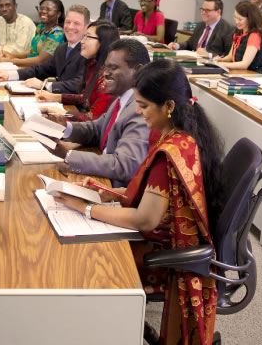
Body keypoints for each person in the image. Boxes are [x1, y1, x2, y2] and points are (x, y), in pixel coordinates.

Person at [52, 59, 221, 345]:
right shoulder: (180, 135)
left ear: (168, 106)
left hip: (162, 251)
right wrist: (103, 192)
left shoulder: (169, 151)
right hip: (165, 237)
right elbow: (150, 197)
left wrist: (87, 208)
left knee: (89, 264)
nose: (138, 112)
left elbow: (146, 219)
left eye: (143, 106)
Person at [45, 39, 151, 187]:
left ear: (138, 71)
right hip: (101, 176)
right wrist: (63, 127)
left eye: (113, 68)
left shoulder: (141, 109)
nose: (106, 74)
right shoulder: (123, 98)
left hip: (114, 190)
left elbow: (124, 165)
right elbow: (97, 129)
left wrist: (67, 155)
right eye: (106, 67)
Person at [35, 20, 118, 122]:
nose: (82, 41)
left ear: (103, 42)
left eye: (88, 37)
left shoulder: (109, 79)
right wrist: (55, 97)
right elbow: (86, 98)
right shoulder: (93, 64)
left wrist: (63, 114)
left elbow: (93, 119)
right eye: (83, 36)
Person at [0, 5, 89, 94]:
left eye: (76, 23)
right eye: (67, 22)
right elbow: (41, 70)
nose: (70, 27)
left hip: (75, 105)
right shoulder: (62, 48)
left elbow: (79, 84)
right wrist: (9, 75)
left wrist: (44, 85)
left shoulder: (88, 51)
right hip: (56, 99)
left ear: (86, 28)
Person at [0, 0, 64, 68]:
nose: (43, 11)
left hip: (42, 73)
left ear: (58, 14)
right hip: (30, 67)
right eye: (41, 8)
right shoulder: (40, 27)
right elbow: (33, 52)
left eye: (48, 9)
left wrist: (9, 61)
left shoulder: (57, 33)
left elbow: (40, 60)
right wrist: (12, 55)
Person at [166, 0, 234, 59]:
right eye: (202, 9)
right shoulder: (200, 25)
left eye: (207, 10)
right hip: (194, 61)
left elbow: (228, 55)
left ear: (218, 12)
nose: (203, 13)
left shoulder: (228, 30)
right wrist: (177, 45)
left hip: (211, 66)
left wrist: (209, 55)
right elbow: (190, 44)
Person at [213, 1, 262, 73]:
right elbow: (231, 56)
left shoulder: (254, 36)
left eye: (240, 19)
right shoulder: (238, 32)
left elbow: (244, 64)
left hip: (253, 75)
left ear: (250, 19)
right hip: (240, 73)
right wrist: (221, 60)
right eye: (235, 17)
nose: (236, 21)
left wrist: (221, 64)